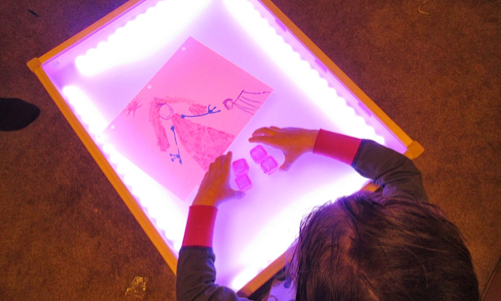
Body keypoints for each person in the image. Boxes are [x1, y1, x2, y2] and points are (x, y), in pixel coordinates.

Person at [176, 127, 479, 301]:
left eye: (300, 253)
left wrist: (204, 202)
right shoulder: (413, 234)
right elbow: (400, 171)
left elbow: (193, 294)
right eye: (363, 204)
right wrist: (312, 139)